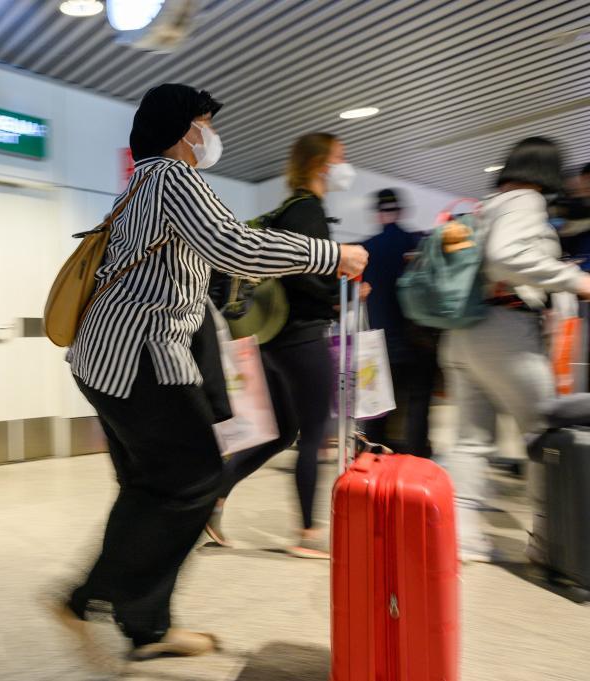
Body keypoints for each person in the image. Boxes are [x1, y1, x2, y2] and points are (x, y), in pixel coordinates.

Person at [53, 85, 368, 667]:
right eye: (204, 123)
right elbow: (234, 247)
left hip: (104, 358)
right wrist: (333, 255)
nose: (210, 134)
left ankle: (147, 627)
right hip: (141, 358)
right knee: (195, 480)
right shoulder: (174, 178)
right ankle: (89, 596)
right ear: (183, 131)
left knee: (151, 487)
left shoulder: (139, 186)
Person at [206, 132, 360, 559]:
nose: (345, 166)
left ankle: (212, 498)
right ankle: (308, 533)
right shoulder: (307, 210)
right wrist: (341, 289)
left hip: (273, 339)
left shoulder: (288, 210)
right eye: (340, 158)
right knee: (314, 433)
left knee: (280, 432)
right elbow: (306, 274)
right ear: (320, 165)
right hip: (302, 336)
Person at [440, 137, 590, 563]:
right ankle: (550, 541)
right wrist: (574, 280)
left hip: (464, 333)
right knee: (546, 433)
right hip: (506, 333)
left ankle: (462, 538)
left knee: (471, 441)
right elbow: (505, 257)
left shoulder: (487, 205)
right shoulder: (527, 200)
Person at [360, 189, 437, 458]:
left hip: (381, 344)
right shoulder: (418, 243)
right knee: (418, 405)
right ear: (401, 211)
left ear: (378, 214)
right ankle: (417, 460)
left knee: (377, 410)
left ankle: (372, 462)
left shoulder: (366, 250)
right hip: (419, 340)